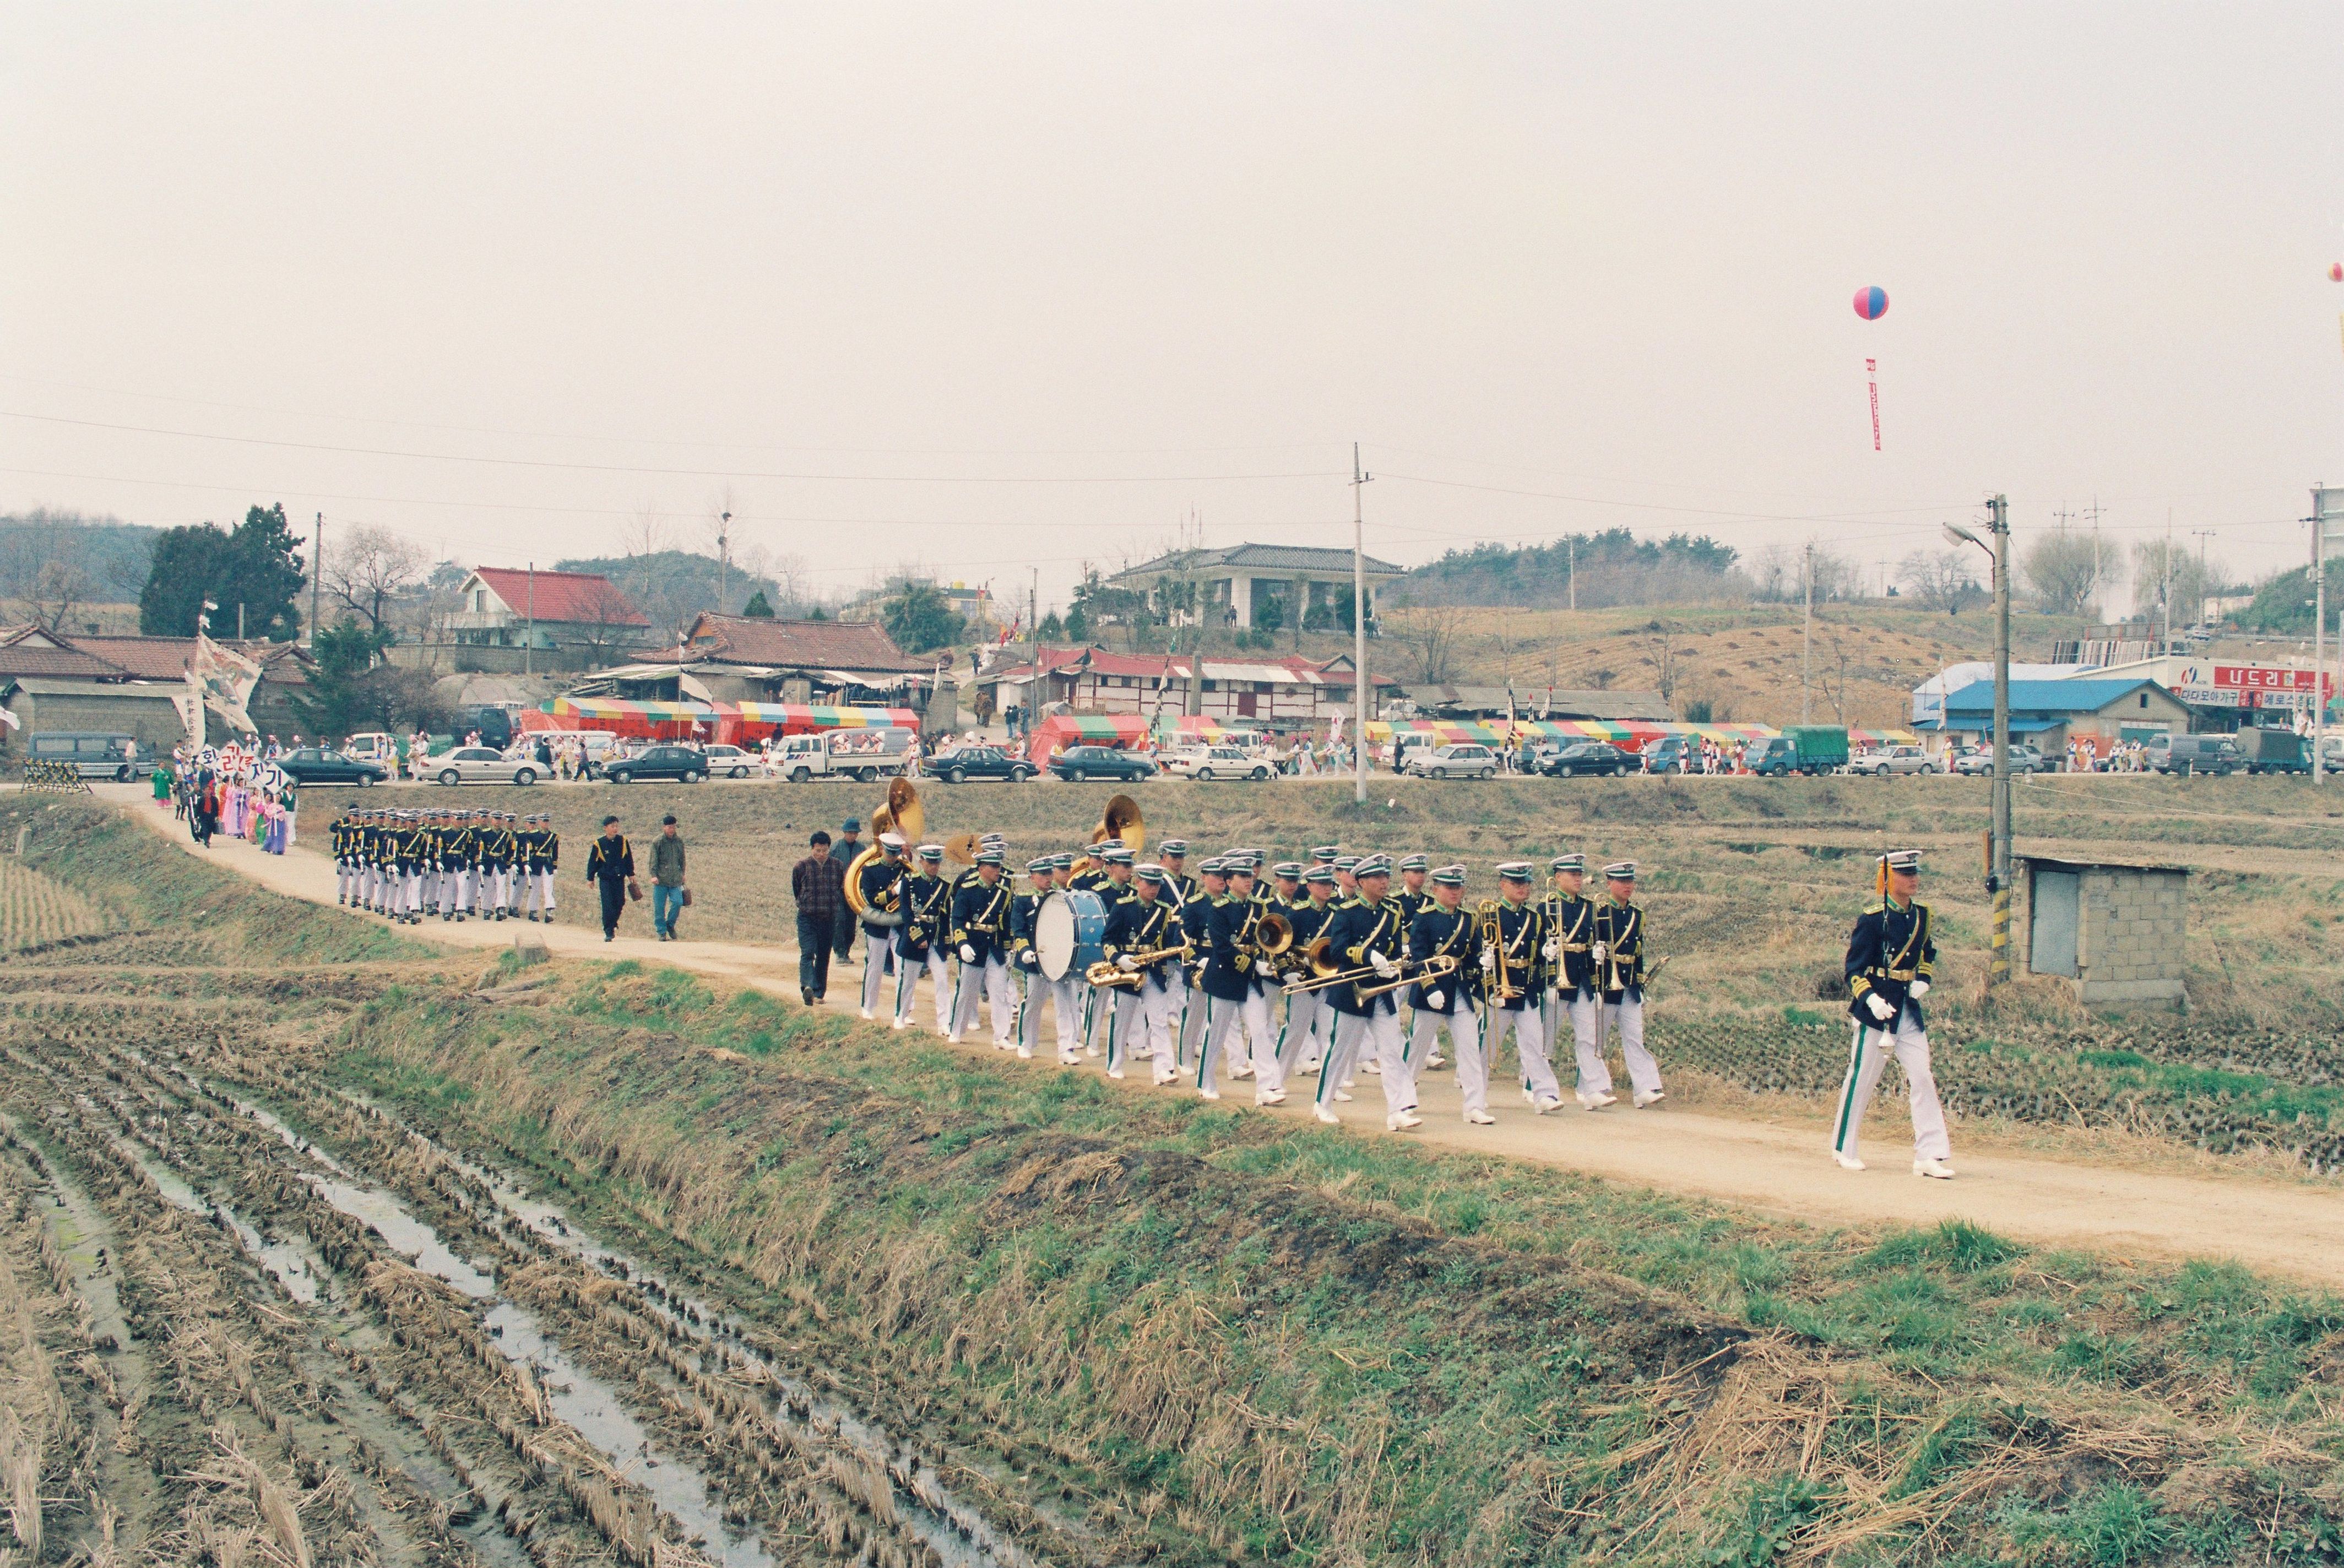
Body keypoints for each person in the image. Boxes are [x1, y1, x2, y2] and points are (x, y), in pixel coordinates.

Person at [1836, 850, 1954, 1179]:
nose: (1913, 879)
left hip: (1907, 1008)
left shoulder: (1922, 915)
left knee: (1922, 1077)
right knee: (1862, 1078)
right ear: (1888, 879)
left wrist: (1924, 979)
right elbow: (1854, 968)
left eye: (1915, 873)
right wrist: (1871, 1000)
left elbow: (1927, 951)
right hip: (1877, 1010)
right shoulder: (1873, 919)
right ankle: (1844, 1146)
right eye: (1905, 874)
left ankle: (1929, 1155)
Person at [1315, 856, 1417, 1130]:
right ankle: (1322, 1103)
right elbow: (1337, 951)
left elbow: (1394, 951)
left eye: (1386, 877)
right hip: (1351, 990)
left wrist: (1394, 967)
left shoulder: (1393, 913)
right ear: (1361, 883)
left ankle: (1398, 1110)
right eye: (1377, 878)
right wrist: (1368, 955)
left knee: (1392, 1049)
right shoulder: (1347, 912)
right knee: (1340, 1048)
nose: (1384, 882)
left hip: (1380, 992)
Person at [1480, 863, 1562, 1114]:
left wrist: (1546, 956)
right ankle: (1477, 1092)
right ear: (1503, 885)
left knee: (1535, 1045)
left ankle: (1545, 1094)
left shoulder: (1533, 918)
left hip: (1526, 989)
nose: (1523, 889)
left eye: (1526, 884)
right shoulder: (1490, 914)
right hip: (1500, 991)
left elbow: (1535, 954)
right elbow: (1483, 954)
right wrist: (1489, 988)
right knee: (1487, 1046)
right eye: (1517, 884)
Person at [1407, 866, 1484, 1122]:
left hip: (1459, 989)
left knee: (1470, 1048)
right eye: (1450, 888)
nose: (1455, 892)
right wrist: (1429, 987)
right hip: (1433, 989)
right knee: (1418, 1047)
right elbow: (1419, 956)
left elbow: (1473, 956)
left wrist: (1483, 974)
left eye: (1459, 887)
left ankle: (1475, 1106)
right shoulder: (1424, 917)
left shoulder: (1470, 918)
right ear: (1436, 889)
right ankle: (1404, 1096)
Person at [1590, 861, 1665, 1109]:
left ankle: (1645, 1088)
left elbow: (1638, 952)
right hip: (1607, 986)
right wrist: (1595, 984)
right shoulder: (1599, 913)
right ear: (1609, 883)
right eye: (1622, 882)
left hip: (1629, 985)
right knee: (1596, 1040)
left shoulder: (1637, 915)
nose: (1628, 886)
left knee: (1635, 1039)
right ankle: (1590, 1087)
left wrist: (1640, 983)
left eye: (1630, 882)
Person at [947, 848, 1017, 1046]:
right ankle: (957, 1031)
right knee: (967, 994)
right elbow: (958, 919)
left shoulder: (1002, 892)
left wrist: (1006, 947)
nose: (999, 870)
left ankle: (1002, 1037)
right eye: (995, 866)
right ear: (982, 868)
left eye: (999, 866)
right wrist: (962, 944)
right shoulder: (967, 890)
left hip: (993, 949)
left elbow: (1004, 922)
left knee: (999, 993)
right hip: (973, 947)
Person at [792, 830, 846, 1005]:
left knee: (824, 956)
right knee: (808, 953)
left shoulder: (838, 866)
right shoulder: (801, 867)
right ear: (812, 849)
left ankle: (819, 993)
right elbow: (797, 890)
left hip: (828, 919)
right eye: (817, 850)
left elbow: (840, 888)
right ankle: (807, 986)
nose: (821, 854)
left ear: (829, 849)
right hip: (807, 918)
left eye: (824, 850)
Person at [585, 816, 638, 941]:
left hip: (619, 878)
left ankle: (613, 922)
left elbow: (628, 859)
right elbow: (593, 862)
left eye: (616, 826)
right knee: (608, 904)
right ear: (605, 828)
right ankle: (609, 930)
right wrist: (590, 878)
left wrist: (631, 874)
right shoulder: (599, 844)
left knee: (620, 902)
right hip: (606, 879)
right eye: (612, 826)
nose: (615, 829)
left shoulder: (623, 841)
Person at [650, 815, 687, 940]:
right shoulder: (658, 841)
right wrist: (653, 876)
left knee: (678, 902)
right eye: (669, 827)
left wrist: (683, 873)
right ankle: (662, 932)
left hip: (675, 879)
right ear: (664, 827)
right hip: (661, 879)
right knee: (659, 907)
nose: (672, 829)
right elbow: (653, 860)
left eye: (674, 827)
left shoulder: (679, 841)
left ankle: (670, 925)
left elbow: (682, 859)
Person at [833, 818, 864, 964]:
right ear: (845, 832)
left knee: (851, 924)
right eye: (851, 833)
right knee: (840, 921)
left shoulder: (862, 849)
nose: (853, 835)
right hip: (838, 892)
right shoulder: (836, 848)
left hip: (854, 893)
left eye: (855, 833)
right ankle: (840, 953)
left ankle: (847, 952)